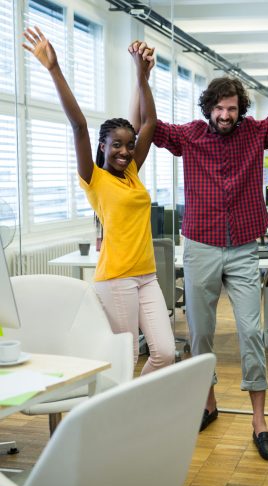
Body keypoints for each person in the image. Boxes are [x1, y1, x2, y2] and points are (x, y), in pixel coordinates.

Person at [129, 41, 268, 461]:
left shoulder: (256, 132)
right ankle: (208, 401)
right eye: (219, 109)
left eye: (232, 109)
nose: (225, 116)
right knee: (202, 334)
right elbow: (143, 125)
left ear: (239, 109)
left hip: (243, 247)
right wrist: (143, 75)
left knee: (250, 332)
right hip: (201, 246)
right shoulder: (190, 137)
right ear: (209, 107)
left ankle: (259, 421)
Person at [22, 27, 175, 374]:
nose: (124, 151)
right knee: (124, 358)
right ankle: (119, 421)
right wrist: (54, 68)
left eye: (129, 144)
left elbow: (150, 120)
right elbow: (78, 126)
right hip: (116, 278)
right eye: (116, 144)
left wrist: (141, 75)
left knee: (164, 353)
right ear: (103, 146)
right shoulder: (95, 179)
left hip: (146, 276)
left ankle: (130, 404)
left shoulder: (133, 172)